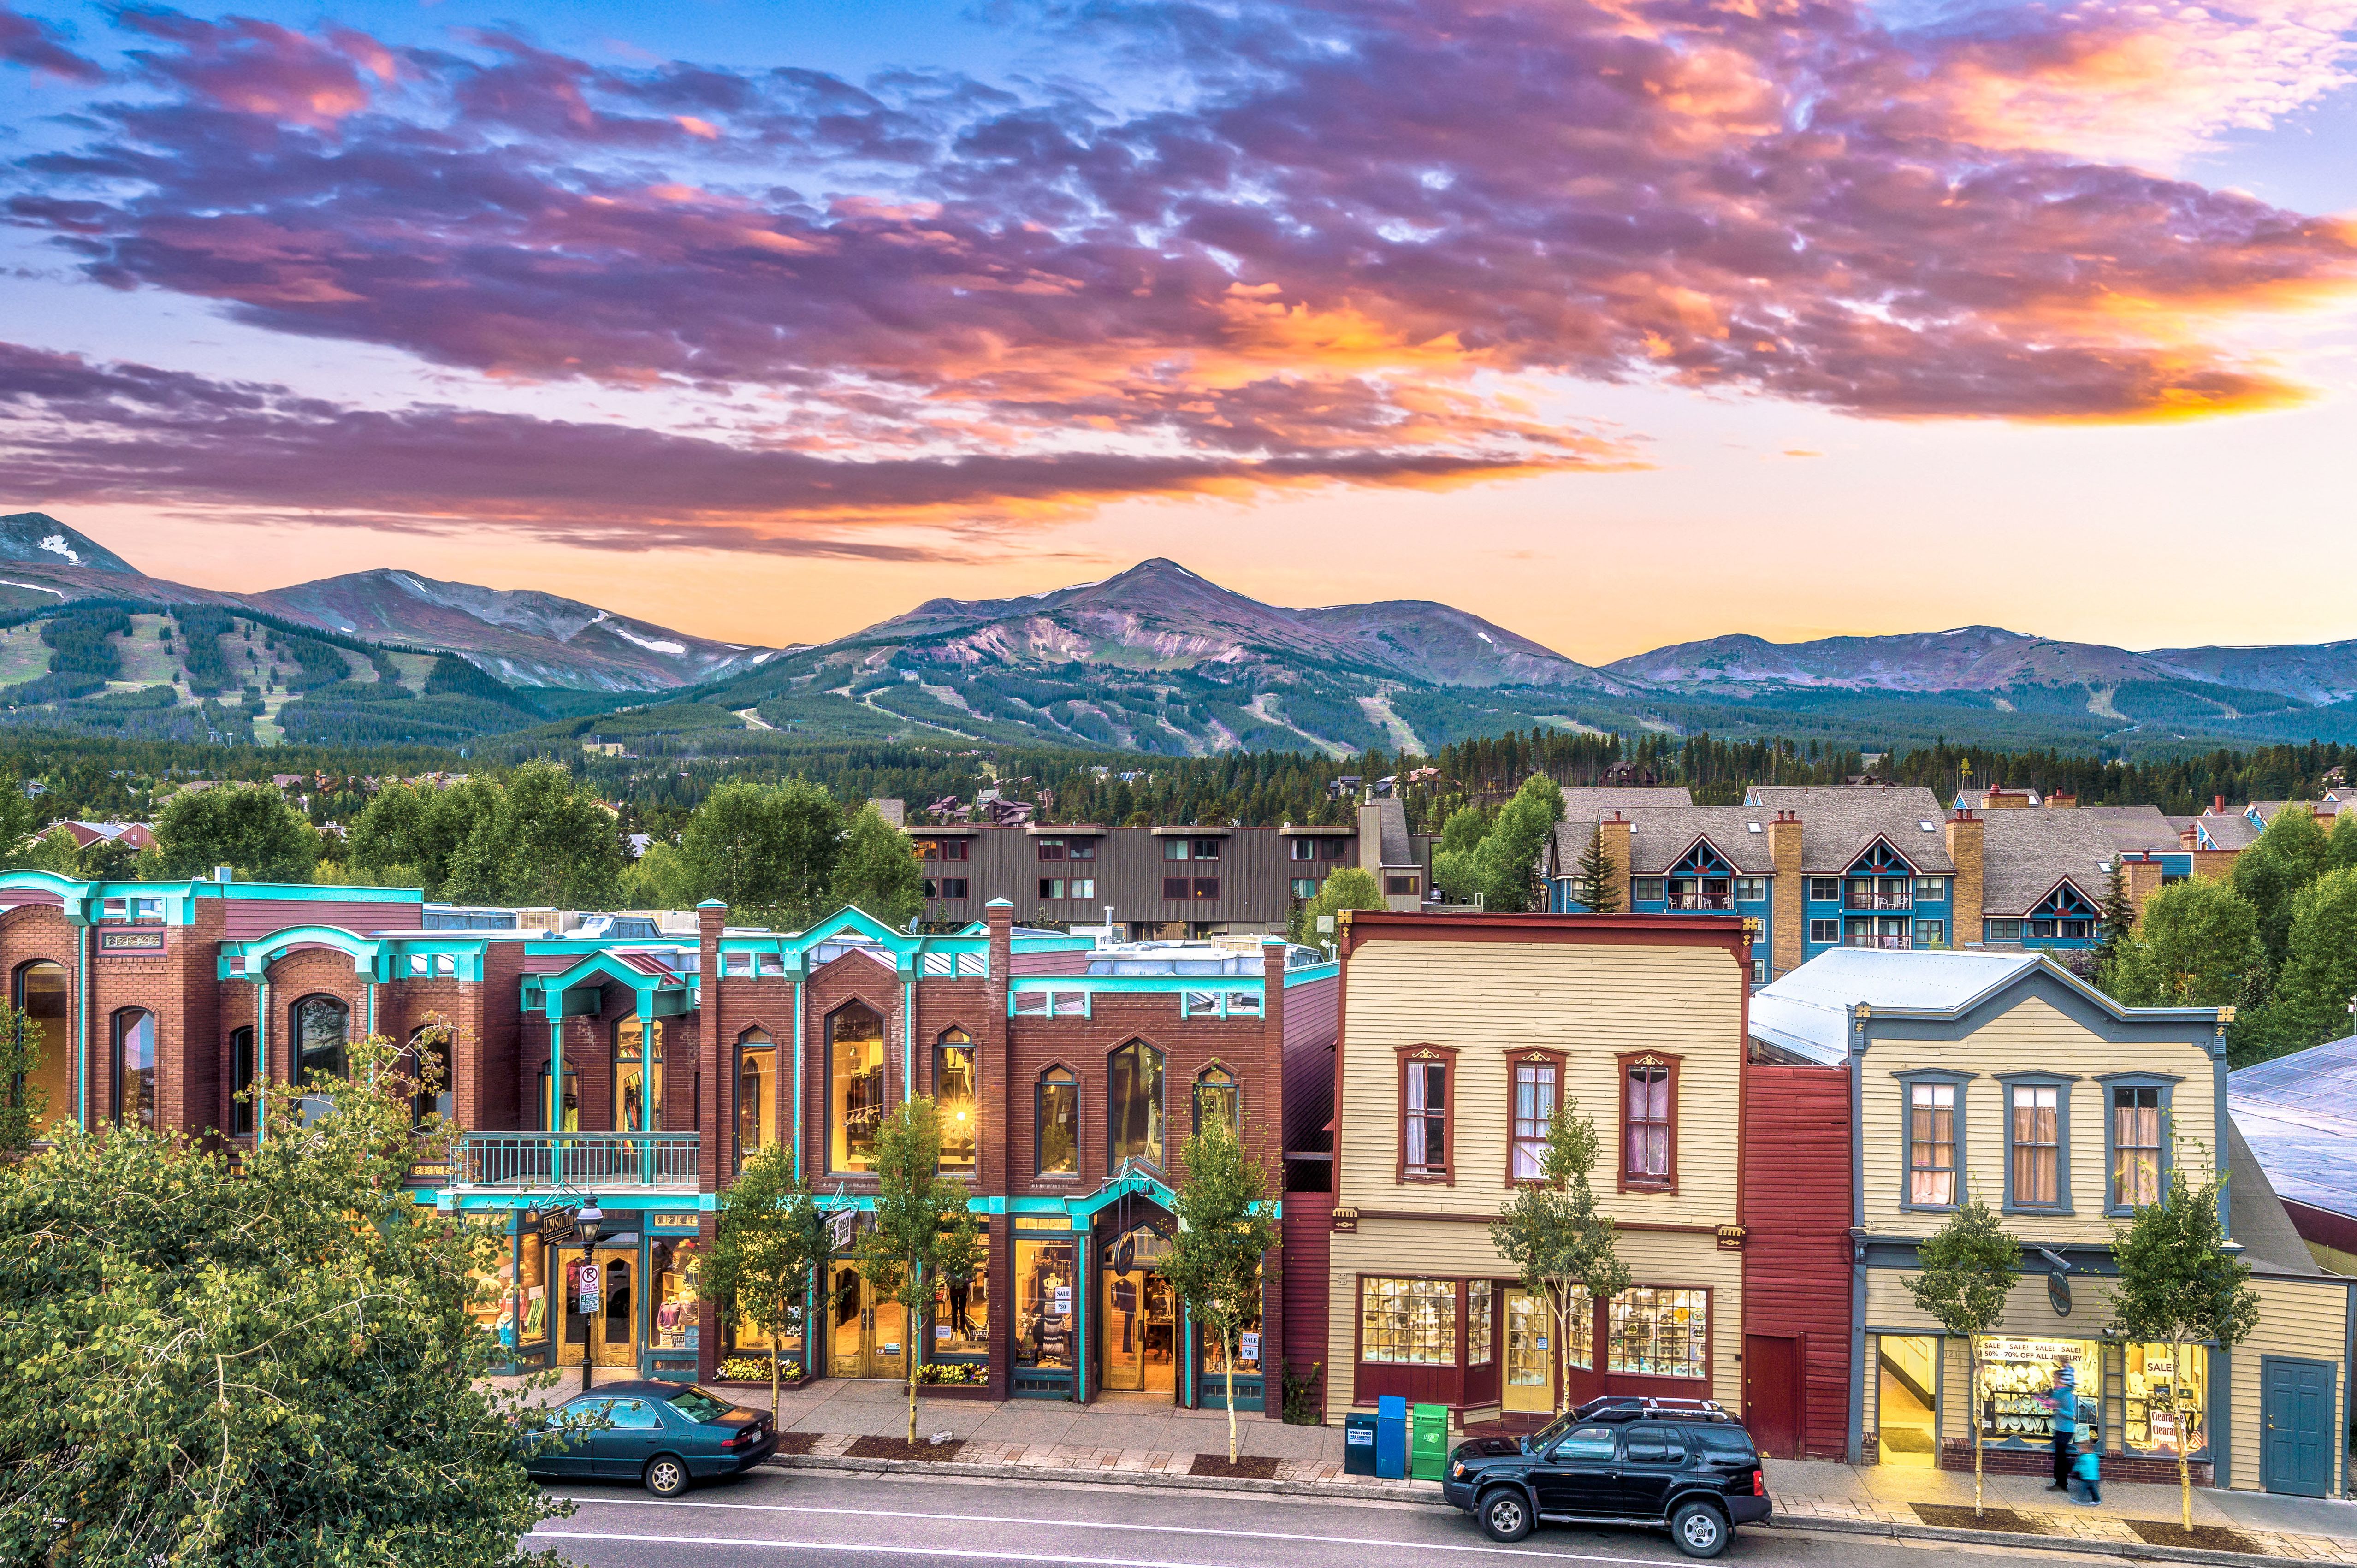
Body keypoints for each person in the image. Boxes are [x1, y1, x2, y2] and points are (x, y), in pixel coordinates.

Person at [2045, 1363, 2078, 1491]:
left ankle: (2063, 1483)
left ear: (2062, 1380)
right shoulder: (2059, 1393)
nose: (2054, 1380)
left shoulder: (2067, 1395)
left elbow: (2072, 1414)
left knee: (2060, 1458)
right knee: (2059, 1457)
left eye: (2056, 1378)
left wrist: (2059, 1408)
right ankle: (2061, 1483)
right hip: (2060, 1429)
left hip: (2066, 1430)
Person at [2070, 1423, 2103, 1506]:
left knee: (2084, 1488)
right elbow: (2096, 1467)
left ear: (2087, 1449)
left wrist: (2075, 1470)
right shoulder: (2094, 1457)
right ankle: (2096, 1500)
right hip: (2094, 1477)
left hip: (2088, 1477)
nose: (2080, 1450)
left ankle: (2081, 1500)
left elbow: (2080, 1466)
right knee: (2092, 1489)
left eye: (2082, 1449)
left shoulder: (2083, 1458)